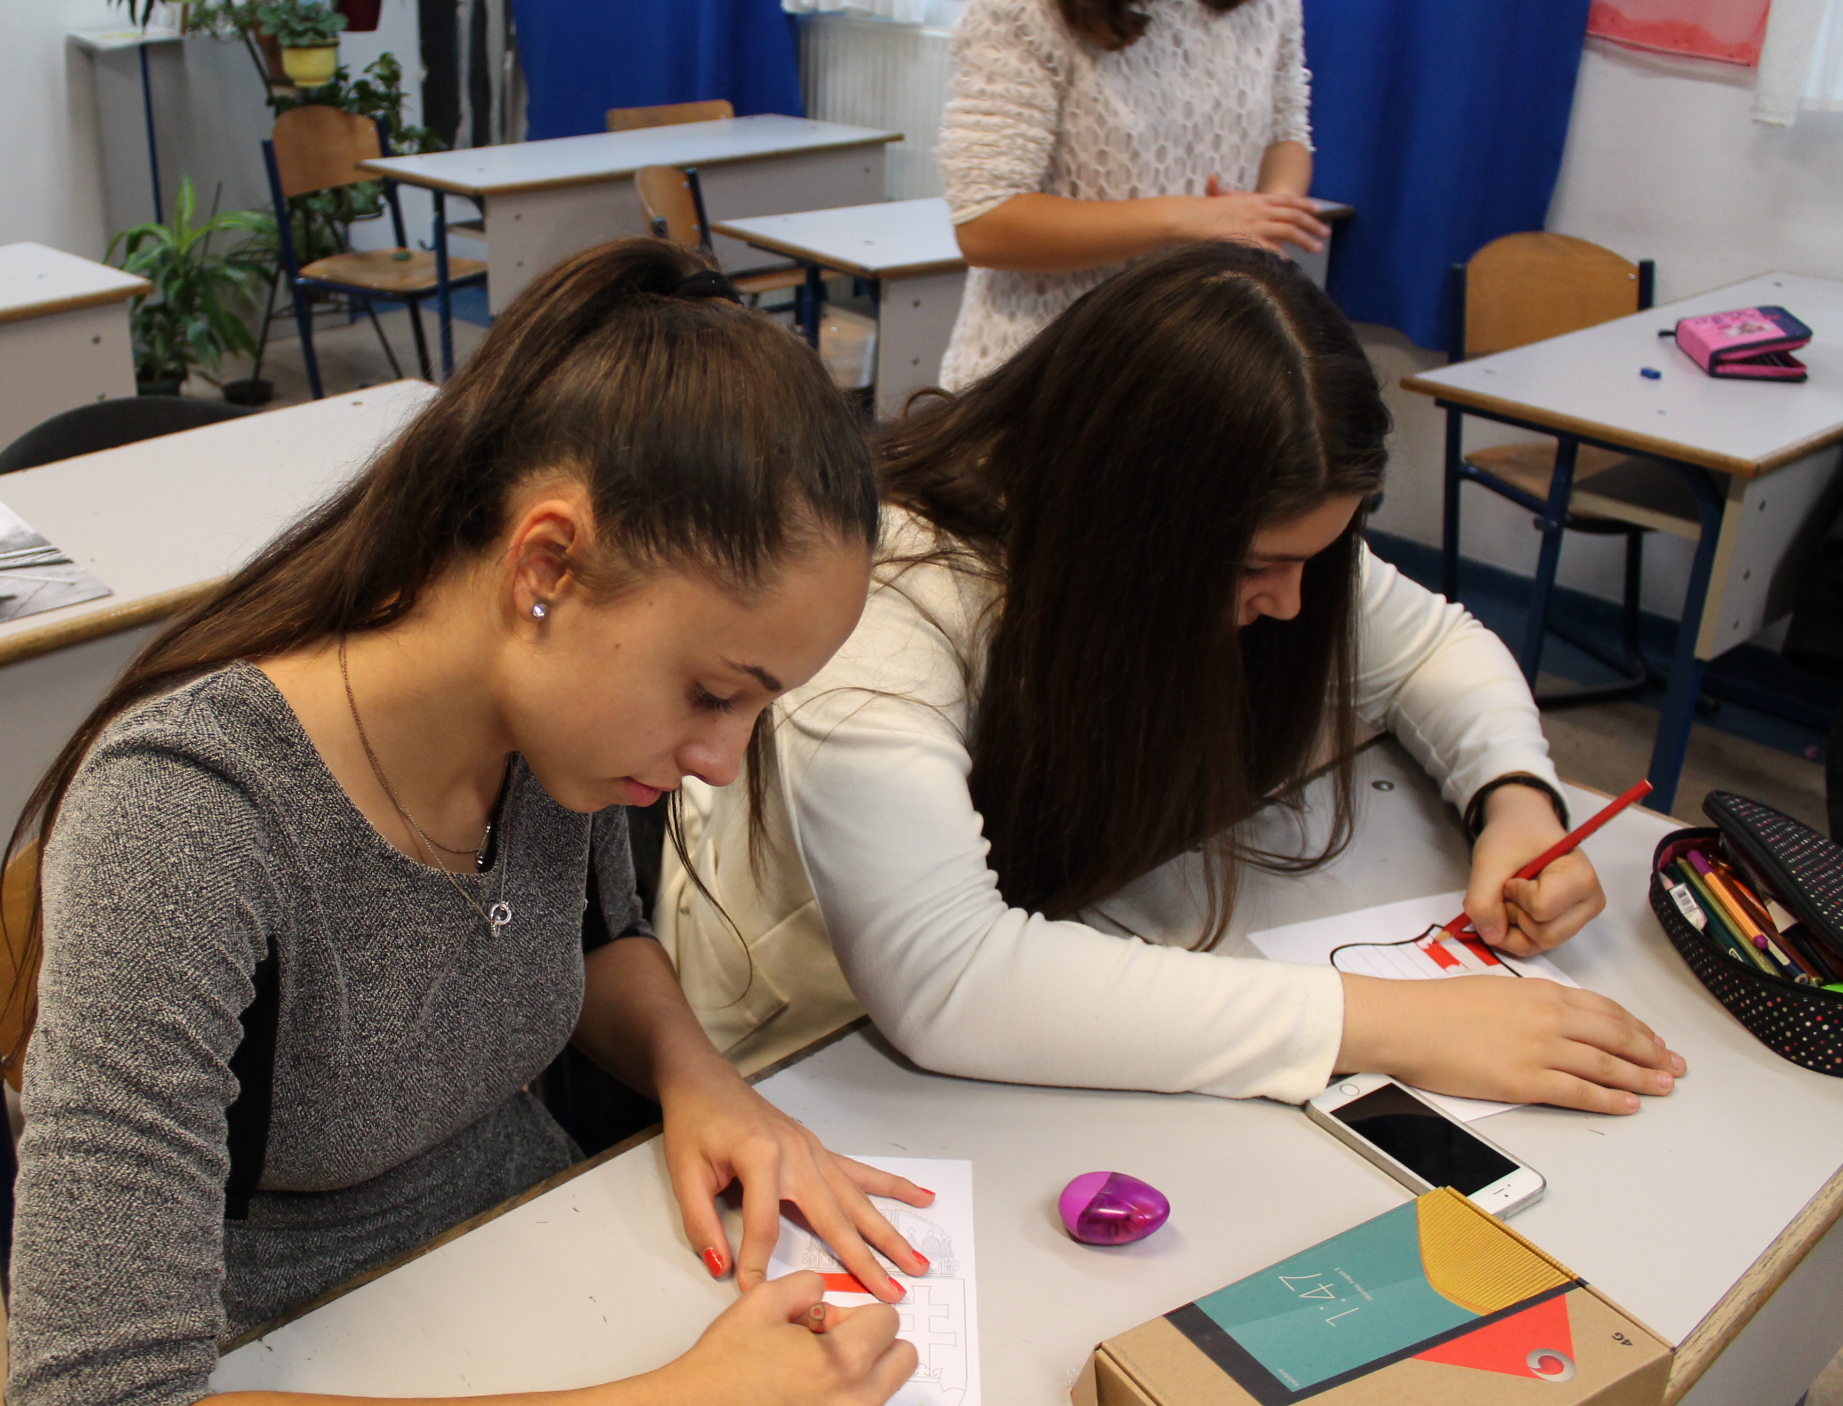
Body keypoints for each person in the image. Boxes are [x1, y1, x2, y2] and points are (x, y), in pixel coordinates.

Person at [3, 241, 928, 1406]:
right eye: (710, 692)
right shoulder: (184, 824)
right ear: (546, 567)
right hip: (293, 1341)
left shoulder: (555, 739)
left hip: (531, 1260)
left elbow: (597, 942)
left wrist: (700, 1076)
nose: (721, 761)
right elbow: (95, 1397)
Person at [656, 243, 1687, 1119]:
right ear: (1130, 518)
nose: (1292, 604)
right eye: (1255, 567)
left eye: (1314, 559)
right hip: (803, 1047)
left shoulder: (1240, 533)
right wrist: (1392, 1022)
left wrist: (1515, 801)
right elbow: (950, 980)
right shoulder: (889, 599)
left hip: (1054, 965)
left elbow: (1434, 649)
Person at [937, 0, 1334, 389]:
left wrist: (1265, 216)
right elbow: (986, 225)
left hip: (1196, 355)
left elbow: (1286, 124)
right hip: (1053, 370)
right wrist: (1187, 220)